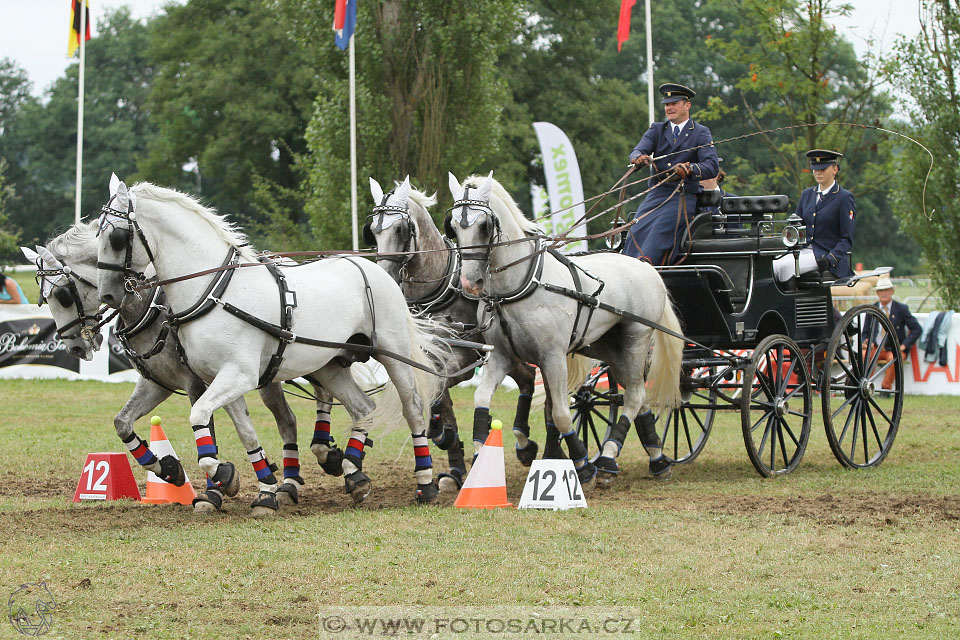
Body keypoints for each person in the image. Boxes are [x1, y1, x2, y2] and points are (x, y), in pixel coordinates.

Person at [623, 83, 719, 264]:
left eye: (674, 103)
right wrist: (639, 157)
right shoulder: (657, 130)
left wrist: (690, 169)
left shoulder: (700, 133)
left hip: (683, 196)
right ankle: (628, 264)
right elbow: (637, 150)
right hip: (657, 194)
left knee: (661, 227)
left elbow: (711, 166)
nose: (669, 108)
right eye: (667, 104)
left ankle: (647, 263)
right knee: (636, 227)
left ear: (687, 105)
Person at [773, 149, 855, 286]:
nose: (818, 172)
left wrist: (831, 259)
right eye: (815, 169)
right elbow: (796, 225)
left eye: (823, 169)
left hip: (825, 254)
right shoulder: (807, 195)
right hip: (803, 251)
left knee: (784, 267)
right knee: (773, 264)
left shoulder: (844, 198)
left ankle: (790, 306)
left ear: (835, 169)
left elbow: (846, 238)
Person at [865, 275, 921, 393]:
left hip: (893, 348)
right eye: (881, 291)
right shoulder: (872, 309)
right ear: (877, 293)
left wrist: (904, 346)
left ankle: (885, 389)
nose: (883, 293)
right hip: (875, 347)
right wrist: (865, 342)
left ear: (892, 291)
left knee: (894, 358)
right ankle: (864, 386)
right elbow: (865, 332)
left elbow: (917, 329)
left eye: (886, 290)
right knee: (864, 355)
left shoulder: (901, 309)